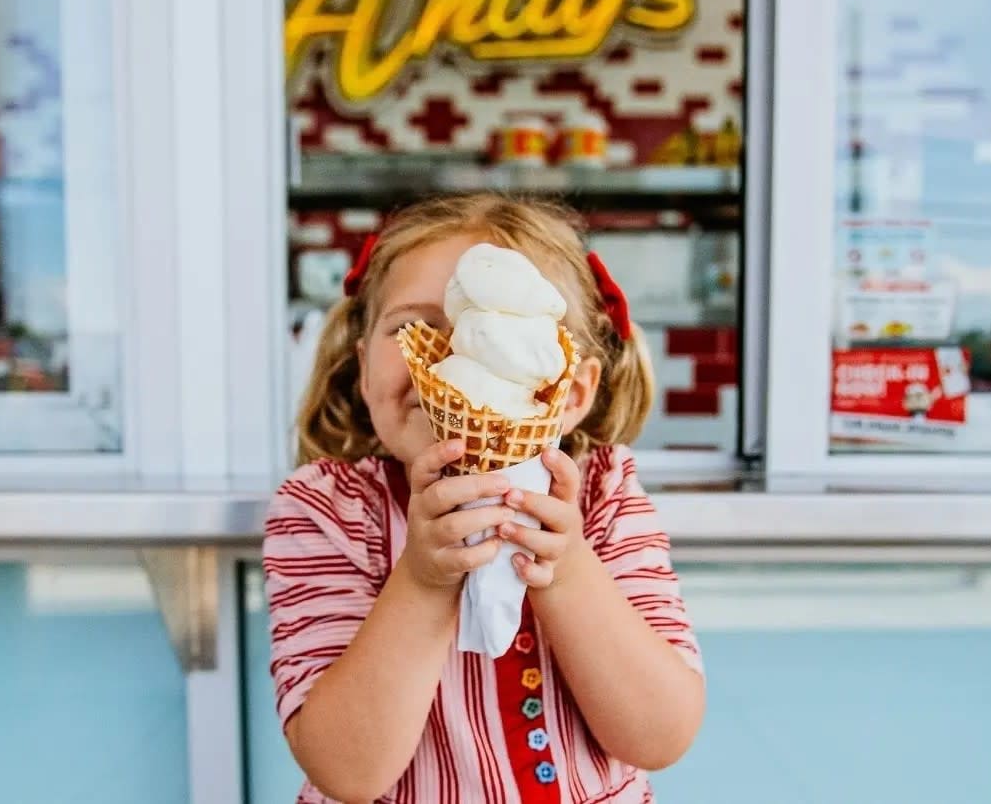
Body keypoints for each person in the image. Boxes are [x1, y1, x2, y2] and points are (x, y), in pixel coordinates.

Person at [264, 193, 705, 803]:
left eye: (504, 335)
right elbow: (346, 771)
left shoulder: (604, 494)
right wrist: (422, 581)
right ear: (363, 370)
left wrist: (567, 568)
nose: (455, 358)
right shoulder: (326, 509)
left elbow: (660, 735)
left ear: (574, 392)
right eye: (413, 327)